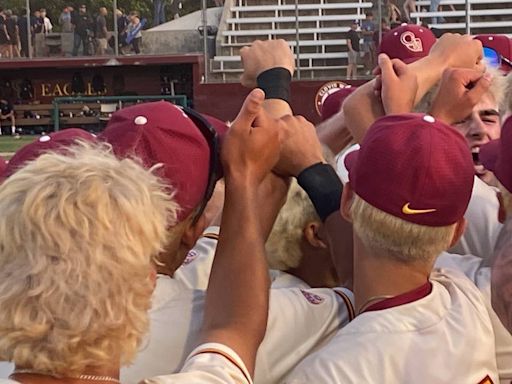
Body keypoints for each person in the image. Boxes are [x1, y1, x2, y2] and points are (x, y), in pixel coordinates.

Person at [285, 50, 499, 382]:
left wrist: (432, 78)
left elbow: (406, 183)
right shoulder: (468, 299)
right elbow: (417, 175)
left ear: (348, 201)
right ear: (456, 232)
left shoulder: (330, 372)